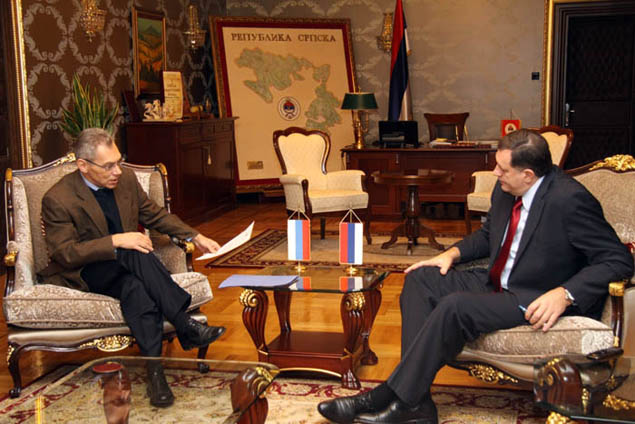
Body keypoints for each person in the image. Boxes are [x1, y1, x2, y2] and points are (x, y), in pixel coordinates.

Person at [317, 129, 634, 424]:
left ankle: (387, 396)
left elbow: (618, 259)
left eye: (502, 169)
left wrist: (564, 294)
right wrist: (450, 254)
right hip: (495, 280)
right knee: (420, 278)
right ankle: (416, 402)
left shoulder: (569, 200)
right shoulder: (507, 188)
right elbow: (488, 236)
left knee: (455, 306)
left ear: (528, 174)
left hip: (535, 294)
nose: (495, 174)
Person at [39, 128, 226, 408]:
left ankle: (156, 375)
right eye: (108, 166)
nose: (117, 170)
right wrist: (116, 241)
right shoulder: (58, 197)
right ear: (83, 166)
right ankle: (184, 323)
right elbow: (65, 253)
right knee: (131, 248)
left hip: (128, 270)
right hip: (88, 270)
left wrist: (195, 236)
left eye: (119, 161)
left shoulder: (125, 180)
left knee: (136, 288)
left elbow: (155, 215)